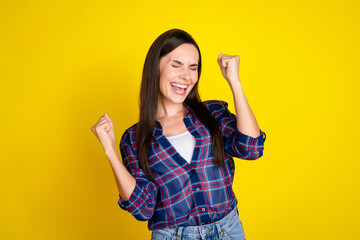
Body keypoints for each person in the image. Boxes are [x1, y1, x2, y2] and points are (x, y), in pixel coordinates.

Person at [91, 29, 266, 240]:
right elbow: (142, 207)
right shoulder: (135, 138)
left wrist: (234, 83)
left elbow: (252, 148)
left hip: (228, 231)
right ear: (155, 67)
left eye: (193, 68)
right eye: (176, 65)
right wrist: (109, 150)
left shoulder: (212, 113)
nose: (186, 75)